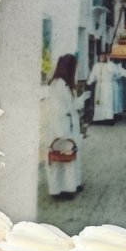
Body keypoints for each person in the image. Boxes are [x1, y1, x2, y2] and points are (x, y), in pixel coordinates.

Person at [40, 56, 85, 200]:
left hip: (65, 123)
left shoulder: (61, 83)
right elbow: (62, 108)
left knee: (67, 156)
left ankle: (69, 186)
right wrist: (81, 100)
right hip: (61, 125)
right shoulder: (60, 85)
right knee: (62, 157)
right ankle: (62, 189)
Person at [90, 50, 120, 124]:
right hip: (99, 85)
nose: (102, 58)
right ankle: (98, 118)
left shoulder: (110, 65)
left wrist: (109, 61)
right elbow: (92, 74)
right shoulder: (96, 65)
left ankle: (108, 118)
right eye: (101, 56)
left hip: (107, 86)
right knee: (98, 102)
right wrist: (89, 82)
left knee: (107, 101)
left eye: (104, 56)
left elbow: (114, 72)